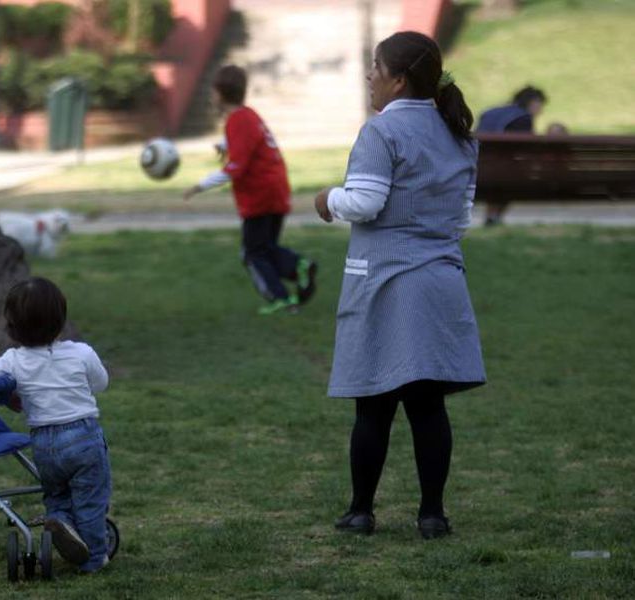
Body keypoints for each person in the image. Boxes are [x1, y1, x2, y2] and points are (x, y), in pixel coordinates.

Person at [313, 31, 486, 539]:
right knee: (429, 406)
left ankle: (361, 511)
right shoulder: (458, 133)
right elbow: (462, 219)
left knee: (374, 403)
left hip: (386, 283)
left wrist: (328, 199)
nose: (369, 76)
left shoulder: (380, 133)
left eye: (375, 67)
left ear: (398, 79)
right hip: (440, 281)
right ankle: (432, 514)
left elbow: (365, 203)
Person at [0, 277, 112, 573]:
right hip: (83, 436)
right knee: (90, 499)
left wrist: (8, 396)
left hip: (43, 443)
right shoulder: (81, 352)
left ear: (11, 327)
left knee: (57, 494)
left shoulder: (12, 360)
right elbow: (101, 383)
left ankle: (61, 521)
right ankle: (93, 558)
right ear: (61, 320)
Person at [184, 65, 317, 315]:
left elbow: (235, 167)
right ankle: (299, 268)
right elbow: (247, 141)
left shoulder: (237, 120)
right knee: (264, 248)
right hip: (275, 189)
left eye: (213, 92)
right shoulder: (248, 115)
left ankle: (282, 297)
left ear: (220, 94)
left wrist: (199, 186)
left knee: (252, 253)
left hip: (260, 195)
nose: (212, 96)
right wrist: (224, 144)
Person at [477, 85, 547, 225]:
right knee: (514, 177)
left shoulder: (492, 112)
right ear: (532, 102)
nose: (541, 110)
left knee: (504, 177)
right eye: (540, 104)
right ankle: (494, 217)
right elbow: (526, 148)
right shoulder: (523, 118)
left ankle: (492, 217)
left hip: (479, 164)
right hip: (503, 169)